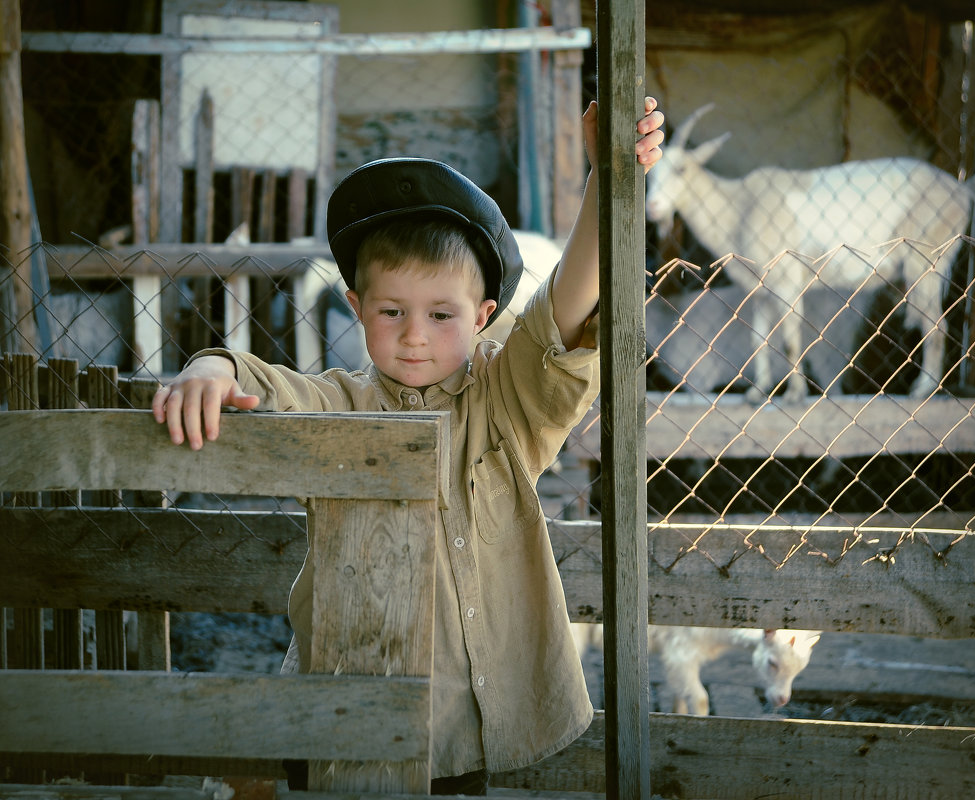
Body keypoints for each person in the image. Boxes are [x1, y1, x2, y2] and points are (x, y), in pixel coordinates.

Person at [152, 97, 664, 794]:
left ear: (484, 317)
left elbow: (565, 309)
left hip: (470, 720)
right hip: (350, 714)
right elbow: (269, 385)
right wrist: (214, 367)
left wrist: (606, 180)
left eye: (442, 315)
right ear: (357, 309)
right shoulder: (342, 404)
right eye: (391, 311)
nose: (415, 335)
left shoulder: (506, 398)